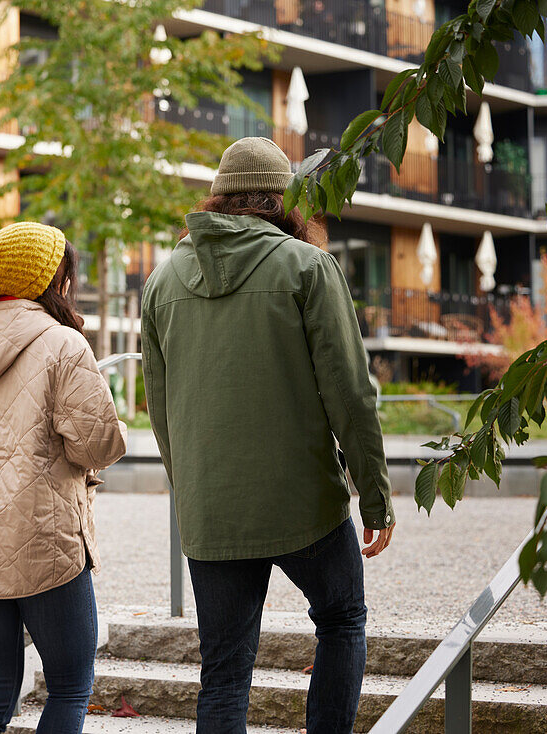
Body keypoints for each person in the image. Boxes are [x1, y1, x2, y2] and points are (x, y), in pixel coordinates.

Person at [141, 137, 396, 734]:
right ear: (287, 198)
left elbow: (161, 410)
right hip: (303, 502)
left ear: (219, 196)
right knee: (340, 619)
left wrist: (194, 491)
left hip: (213, 513)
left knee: (224, 672)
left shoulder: (162, 281)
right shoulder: (308, 266)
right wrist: (375, 495)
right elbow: (350, 394)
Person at [0, 221, 128, 734]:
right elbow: (97, 445)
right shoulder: (63, 343)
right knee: (69, 689)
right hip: (42, 542)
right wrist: (118, 424)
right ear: (49, 279)